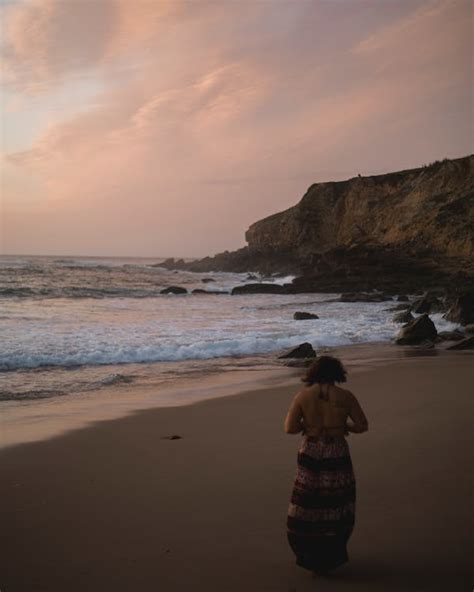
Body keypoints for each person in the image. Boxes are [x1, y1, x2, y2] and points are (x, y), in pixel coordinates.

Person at [284, 355, 368, 577]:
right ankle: (331, 552)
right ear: (337, 373)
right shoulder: (346, 396)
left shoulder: (303, 397)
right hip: (336, 449)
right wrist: (342, 427)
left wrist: (309, 425)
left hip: (310, 449)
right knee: (335, 500)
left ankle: (309, 552)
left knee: (308, 499)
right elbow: (362, 425)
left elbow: (290, 428)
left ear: (313, 373)